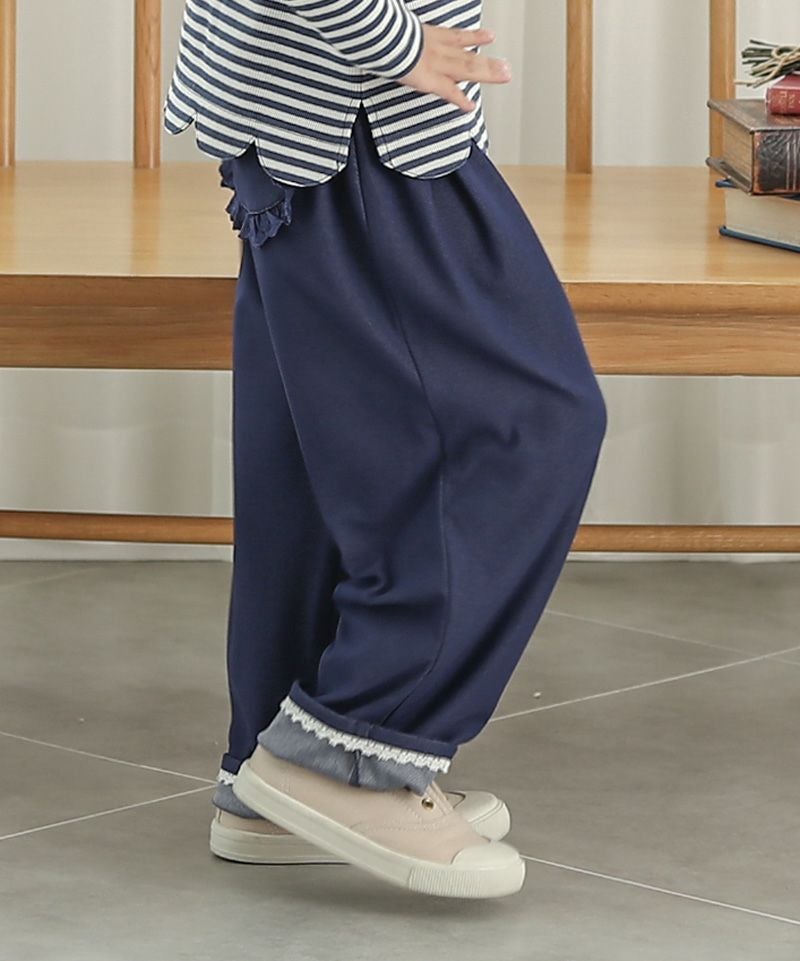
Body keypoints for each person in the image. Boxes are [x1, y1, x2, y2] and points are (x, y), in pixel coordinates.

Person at [162, 0, 607, 900]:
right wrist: (398, 44)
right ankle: (347, 751)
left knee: (321, 459)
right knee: (536, 422)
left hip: (313, 116)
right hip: (356, 120)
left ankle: (270, 775)